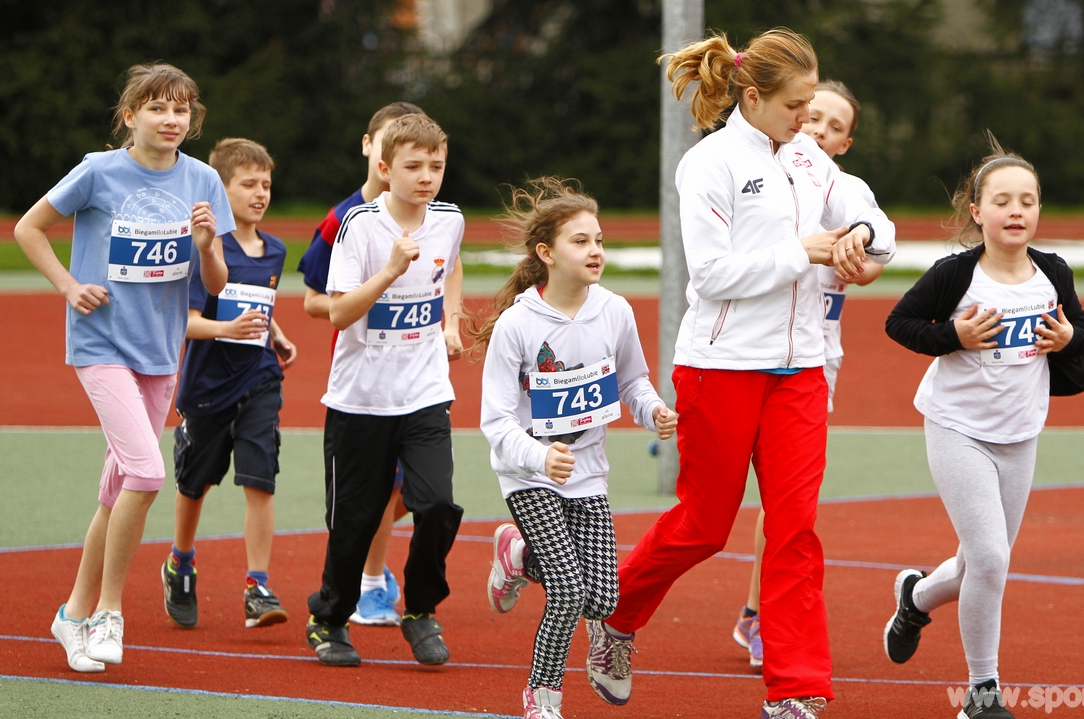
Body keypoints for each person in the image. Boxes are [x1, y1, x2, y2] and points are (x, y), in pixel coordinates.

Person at [584, 29, 895, 719]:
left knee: (794, 529)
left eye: (813, 105)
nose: (807, 119)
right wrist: (804, 251)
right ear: (752, 97)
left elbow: (877, 221)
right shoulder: (708, 163)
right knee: (704, 526)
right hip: (718, 368)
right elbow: (711, 274)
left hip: (802, 371)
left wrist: (861, 237)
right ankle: (614, 615)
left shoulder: (809, 158)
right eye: (796, 105)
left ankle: (795, 689)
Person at [14, 63, 234, 671]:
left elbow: (215, 284)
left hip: (161, 353)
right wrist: (68, 285)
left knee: (117, 493)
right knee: (146, 473)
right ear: (130, 116)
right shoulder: (98, 171)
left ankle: (71, 615)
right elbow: (29, 228)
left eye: (181, 109)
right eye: (158, 107)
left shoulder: (203, 180)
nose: (171, 119)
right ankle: (110, 610)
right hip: (101, 345)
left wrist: (207, 245)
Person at [883, 134, 1084, 719]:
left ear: (1039, 210)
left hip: (1021, 433)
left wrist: (1068, 339)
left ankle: (915, 597)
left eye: (1027, 201)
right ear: (977, 212)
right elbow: (899, 323)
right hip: (957, 427)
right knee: (991, 560)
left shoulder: (1052, 272)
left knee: (982, 561)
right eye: (1002, 201)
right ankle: (982, 695)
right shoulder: (956, 275)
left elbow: (1080, 333)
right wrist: (953, 336)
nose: (1016, 211)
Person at [475, 178, 678, 719]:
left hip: (588, 474)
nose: (596, 251)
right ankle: (542, 696)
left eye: (599, 240)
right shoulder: (517, 325)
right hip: (529, 474)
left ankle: (517, 555)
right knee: (567, 591)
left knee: (602, 598)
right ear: (546, 253)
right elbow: (495, 421)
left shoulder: (614, 311)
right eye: (581, 241)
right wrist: (540, 456)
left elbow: (632, 381)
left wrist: (653, 410)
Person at [732, 79, 886, 669]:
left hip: (815, 358)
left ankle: (761, 615)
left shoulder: (848, 194)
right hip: (747, 351)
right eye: (812, 116)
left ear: (846, 144)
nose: (819, 130)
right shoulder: (760, 177)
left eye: (835, 127)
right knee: (712, 506)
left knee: (788, 501)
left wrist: (859, 254)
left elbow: (872, 263)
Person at [305, 113, 465, 667]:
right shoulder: (360, 226)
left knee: (437, 503)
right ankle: (329, 618)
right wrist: (392, 270)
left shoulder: (449, 219)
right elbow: (339, 313)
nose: (426, 177)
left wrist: (450, 319)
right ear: (384, 167)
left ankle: (420, 610)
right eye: (413, 166)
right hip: (360, 400)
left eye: (436, 166)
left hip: (425, 392)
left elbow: (451, 265)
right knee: (354, 520)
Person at [161, 138, 297, 631]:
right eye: (248, 184)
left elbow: (257, 302)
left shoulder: (275, 250)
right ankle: (180, 562)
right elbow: (186, 321)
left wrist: (275, 334)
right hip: (207, 386)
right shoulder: (206, 250)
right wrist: (227, 329)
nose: (260, 193)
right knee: (194, 483)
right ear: (220, 190)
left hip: (259, 377)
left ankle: (257, 585)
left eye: (266, 184)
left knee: (260, 478)